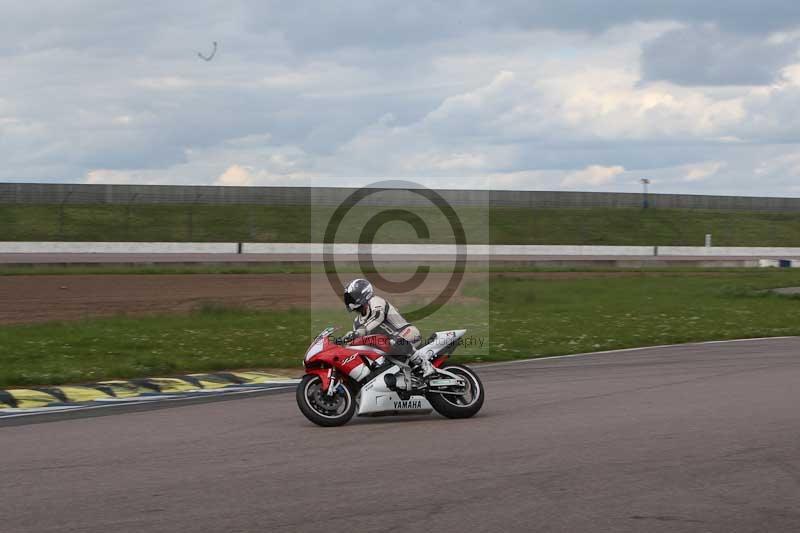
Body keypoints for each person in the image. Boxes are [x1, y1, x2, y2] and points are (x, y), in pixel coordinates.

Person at [341, 278, 434, 377]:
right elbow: (361, 342)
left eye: (351, 297)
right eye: (348, 298)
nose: (349, 301)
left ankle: (425, 364)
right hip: (386, 347)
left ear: (363, 293)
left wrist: (359, 332)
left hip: (406, 332)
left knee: (395, 341)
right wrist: (347, 342)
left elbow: (378, 317)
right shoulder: (357, 322)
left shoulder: (375, 301)